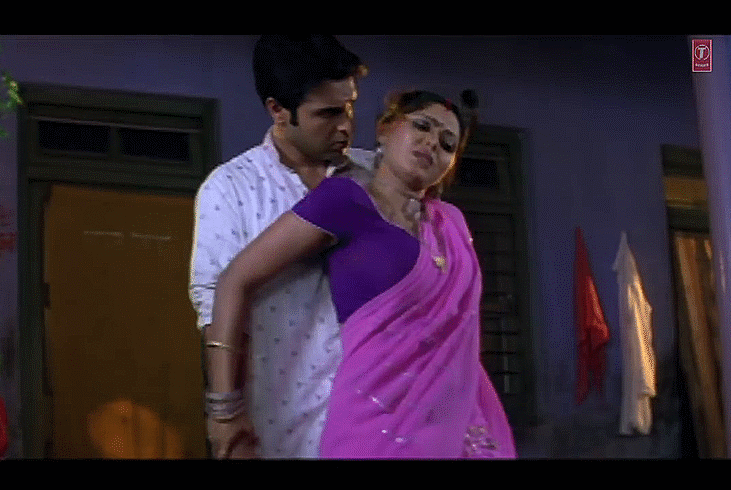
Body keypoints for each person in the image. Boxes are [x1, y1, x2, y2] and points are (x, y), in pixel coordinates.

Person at [205, 89, 517, 458]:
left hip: (454, 430)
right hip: (372, 426)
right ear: (385, 129)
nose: (432, 142)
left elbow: (460, 335)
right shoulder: (345, 201)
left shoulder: (452, 224)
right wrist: (224, 407)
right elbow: (235, 279)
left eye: (448, 143)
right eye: (422, 126)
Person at [189, 35, 373, 459]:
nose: (345, 126)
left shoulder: (375, 179)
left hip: (376, 427)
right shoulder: (231, 189)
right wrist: (224, 414)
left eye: (349, 107)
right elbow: (215, 308)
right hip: (282, 428)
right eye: (327, 113)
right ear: (278, 110)